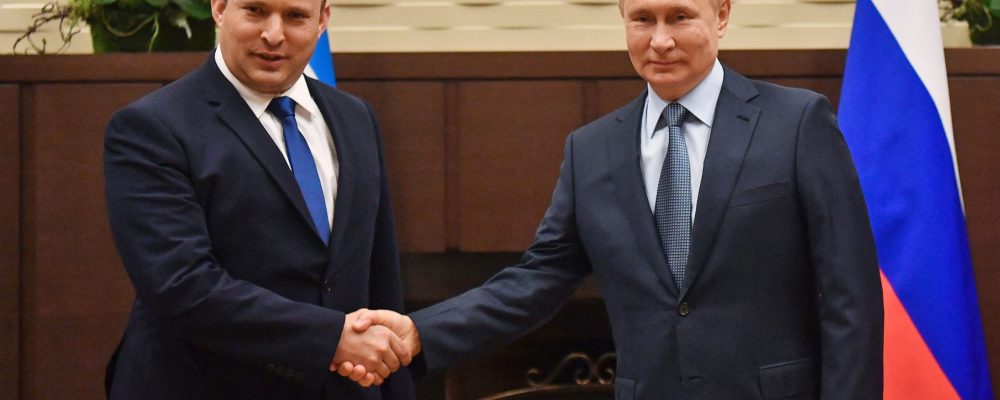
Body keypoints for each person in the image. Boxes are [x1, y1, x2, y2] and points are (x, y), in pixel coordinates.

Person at [340, 0, 884, 398]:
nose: (660, 40)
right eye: (643, 18)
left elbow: (850, 298)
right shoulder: (591, 150)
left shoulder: (796, 122)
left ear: (721, 15)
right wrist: (418, 332)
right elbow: (536, 282)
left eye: (680, 17)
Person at [101, 0, 416, 396]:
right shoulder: (151, 128)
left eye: (295, 16)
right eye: (254, 10)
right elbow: (181, 287)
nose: (273, 34)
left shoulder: (356, 118)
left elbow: (379, 278)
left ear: (323, 20)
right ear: (218, 8)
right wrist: (331, 337)